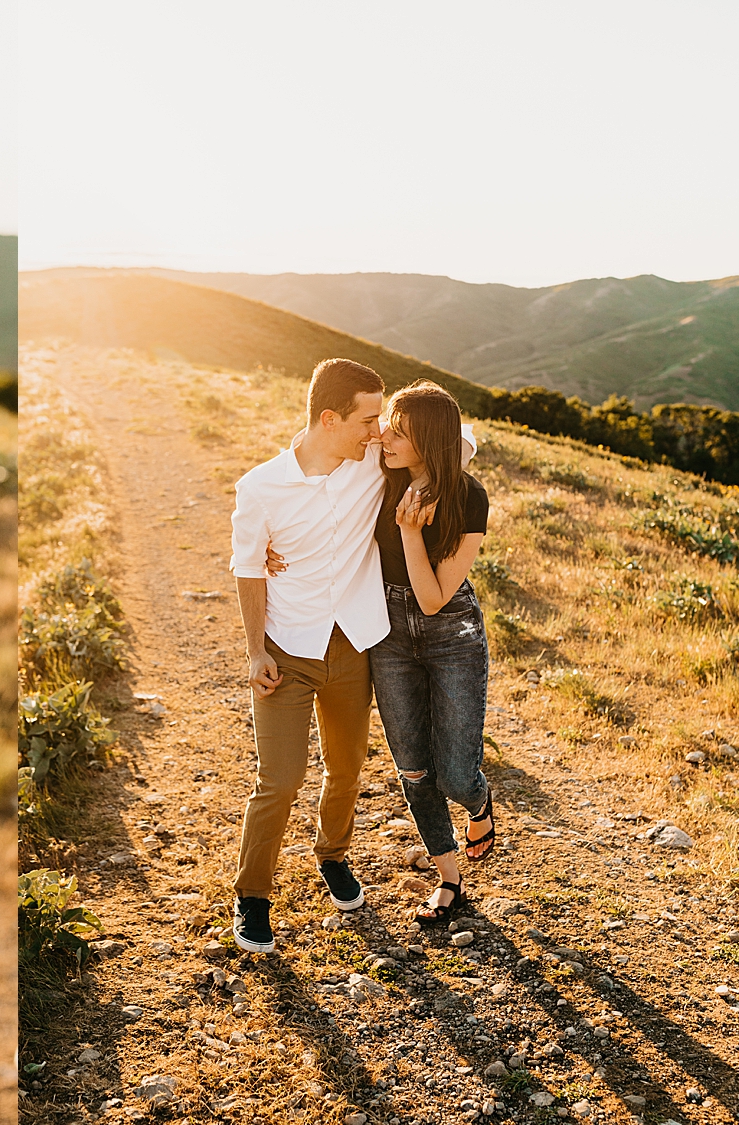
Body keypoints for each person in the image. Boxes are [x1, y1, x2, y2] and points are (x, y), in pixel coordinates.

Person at [229, 359, 477, 954]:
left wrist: (429, 471)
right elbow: (246, 567)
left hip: (354, 642)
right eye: (370, 419)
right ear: (329, 418)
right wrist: (255, 649)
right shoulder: (260, 487)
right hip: (287, 648)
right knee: (279, 780)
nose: (378, 431)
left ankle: (332, 856)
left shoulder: (374, 462)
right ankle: (252, 897)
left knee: (346, 771)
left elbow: (459, 442)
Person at [370, 380, 492, 926]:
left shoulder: (470, 497)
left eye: (400, 429)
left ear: (428, 439)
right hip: (388, 632)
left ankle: (481, 803)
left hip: (451, 632)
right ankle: (448, 880)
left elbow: (435, 596)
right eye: (389, 424)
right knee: (415, 771)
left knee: (456, 777)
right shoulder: (380, 476)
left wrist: (410, 534)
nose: (385, 435)